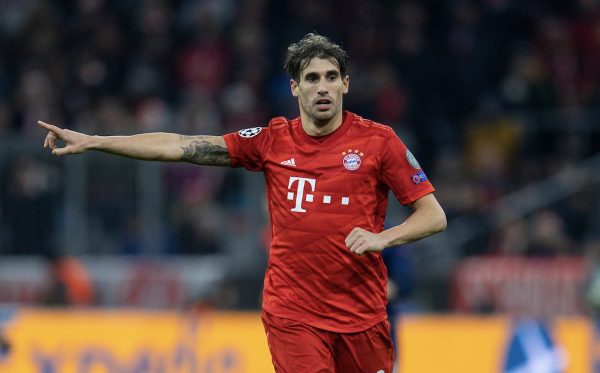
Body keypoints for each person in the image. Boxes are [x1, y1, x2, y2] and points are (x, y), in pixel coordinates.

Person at [39, 33, 446, 373]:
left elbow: (433, 215)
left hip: (363, 315)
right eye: (311, 78)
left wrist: (384, 239)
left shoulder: (378, 142)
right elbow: (182, 146)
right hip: (294, 313)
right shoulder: (272, 140)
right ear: (295, 87)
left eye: (331, 77)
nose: (321, 86)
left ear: (345, 84)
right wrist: (97, 141)